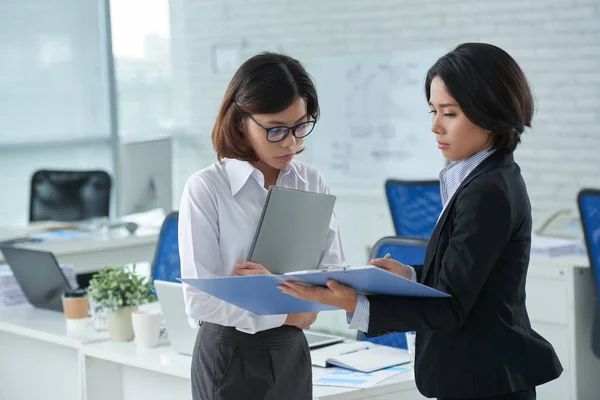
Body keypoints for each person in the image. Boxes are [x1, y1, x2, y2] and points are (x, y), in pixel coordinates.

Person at [280, 43, 563, 400]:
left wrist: (355, 304)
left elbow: (452, 306)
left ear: (490, 110)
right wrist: (411, 275)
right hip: (480, 377)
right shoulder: (483, 178)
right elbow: (466, 275)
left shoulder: (488, 190)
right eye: (433, 111)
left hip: (485, 382)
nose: (434, 126)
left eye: (450, 113)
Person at [178, 52, 345, 400]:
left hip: (292, 352)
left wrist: (271, 290)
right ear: (241, 122)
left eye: (300, 126)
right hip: (228, 356)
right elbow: (200, 300)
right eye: (276, 130)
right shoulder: (207, 188)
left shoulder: (311, 182)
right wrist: (288, 312)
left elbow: (333, 276)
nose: (291, 143)